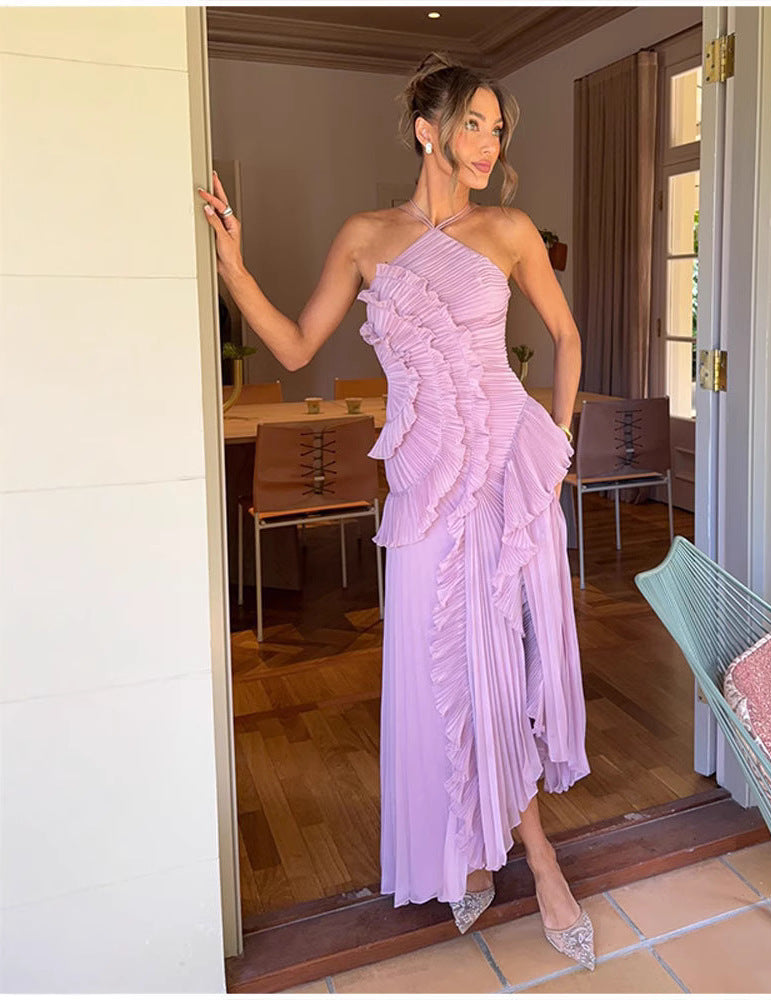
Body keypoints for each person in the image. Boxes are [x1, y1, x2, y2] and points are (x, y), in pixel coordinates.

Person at [199, 53, 594, 969]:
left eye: (498, 129)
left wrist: (554, 453)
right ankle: (470, 849)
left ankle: (538, 858)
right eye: (473, 125)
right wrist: (233, 266)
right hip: (424, 485)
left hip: (504, 470)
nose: (489, 144)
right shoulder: (367, 236)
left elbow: (566, 337)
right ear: (428, 130)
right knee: (441, 667)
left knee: (505, 664)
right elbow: (296, 347)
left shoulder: (508, 229)